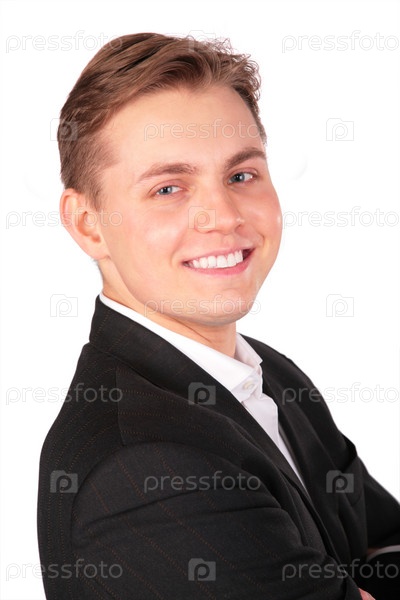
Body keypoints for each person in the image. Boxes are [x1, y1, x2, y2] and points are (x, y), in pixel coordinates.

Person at [37, 32, 399, 600]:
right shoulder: (146, 471)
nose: (223, 216)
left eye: (240, 176)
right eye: (169, 188)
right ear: (88, 224)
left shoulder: (269, 374)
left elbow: (383, 540)